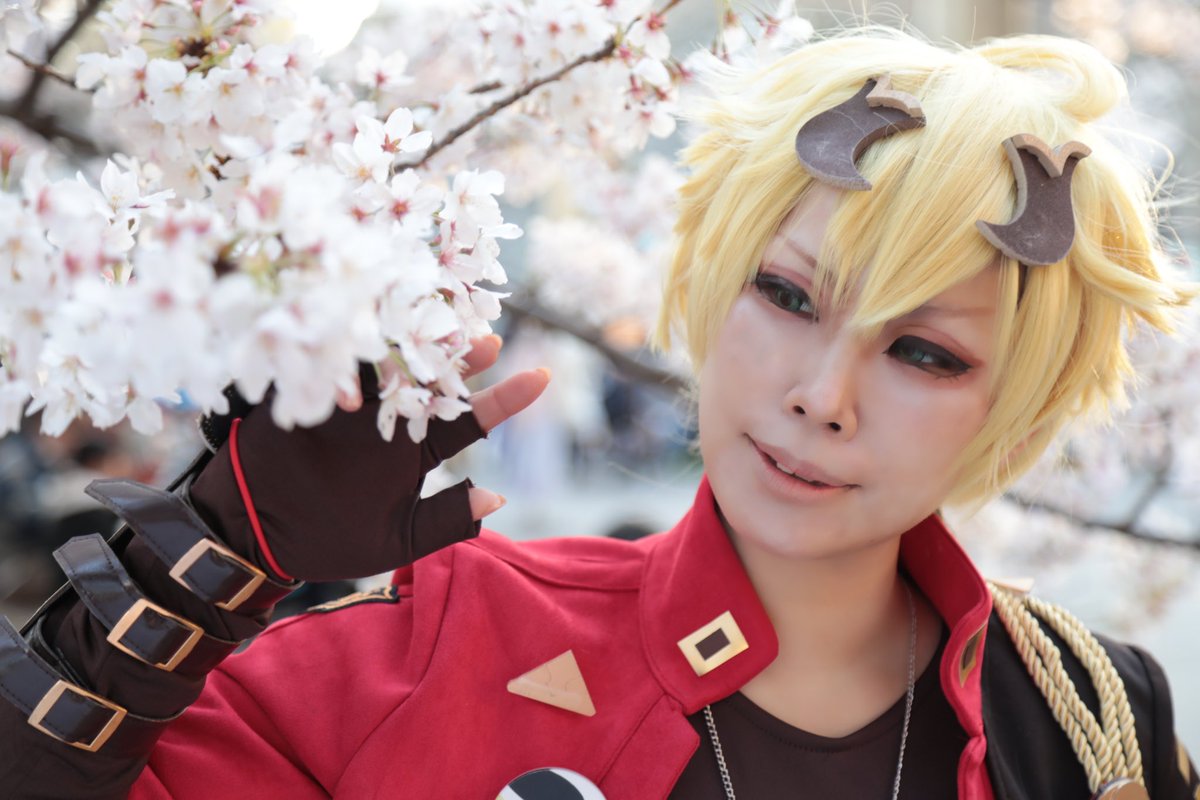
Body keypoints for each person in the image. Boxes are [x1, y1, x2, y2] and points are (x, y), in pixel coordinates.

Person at [1, 25, 1198, 800]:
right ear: (711, 284)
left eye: (925, 353)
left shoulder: (1084, 714)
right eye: (787, 294)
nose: (819, 396)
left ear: (1017, 404)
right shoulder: (446, 644)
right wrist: (216, 556)